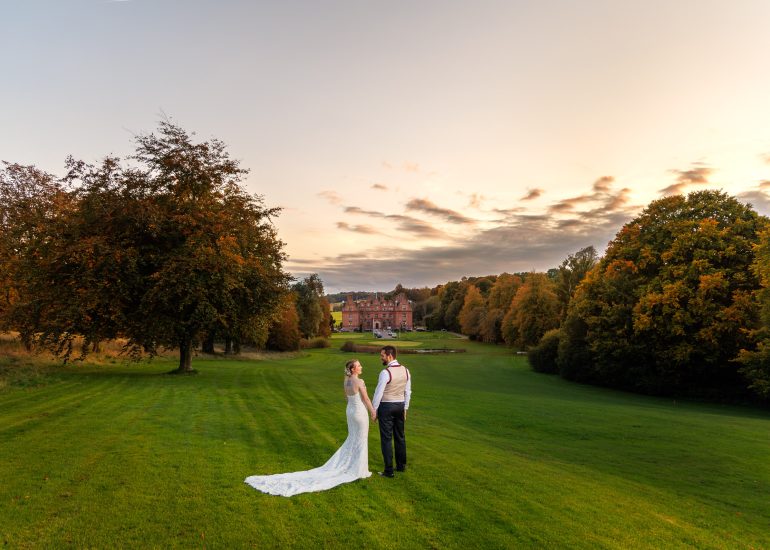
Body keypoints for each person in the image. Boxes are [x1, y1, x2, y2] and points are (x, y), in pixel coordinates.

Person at [244, 358, 376, 496]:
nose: (361, 367)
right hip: (359, 412)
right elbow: (366, 399)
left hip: (350, 411)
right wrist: (372, 412)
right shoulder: (359, 381)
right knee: (361, 438)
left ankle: (351, 464)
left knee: (353, 437)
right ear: (353, 369)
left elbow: (346, 398)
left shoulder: (346, 381)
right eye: (359, 365)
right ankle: (359, 469)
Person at [372, 345, 412, 478]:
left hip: (386, 407)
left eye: (382, 356)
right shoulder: (406, 371)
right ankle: (401, 466)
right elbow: (408, 392)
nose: (381, 358)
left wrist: (374, 410)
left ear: (389, 356)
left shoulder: (385, 373)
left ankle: (389, 471)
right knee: (400, 437)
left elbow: (378, 393)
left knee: (386, 439)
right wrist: (405, 408)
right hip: (400, 406)